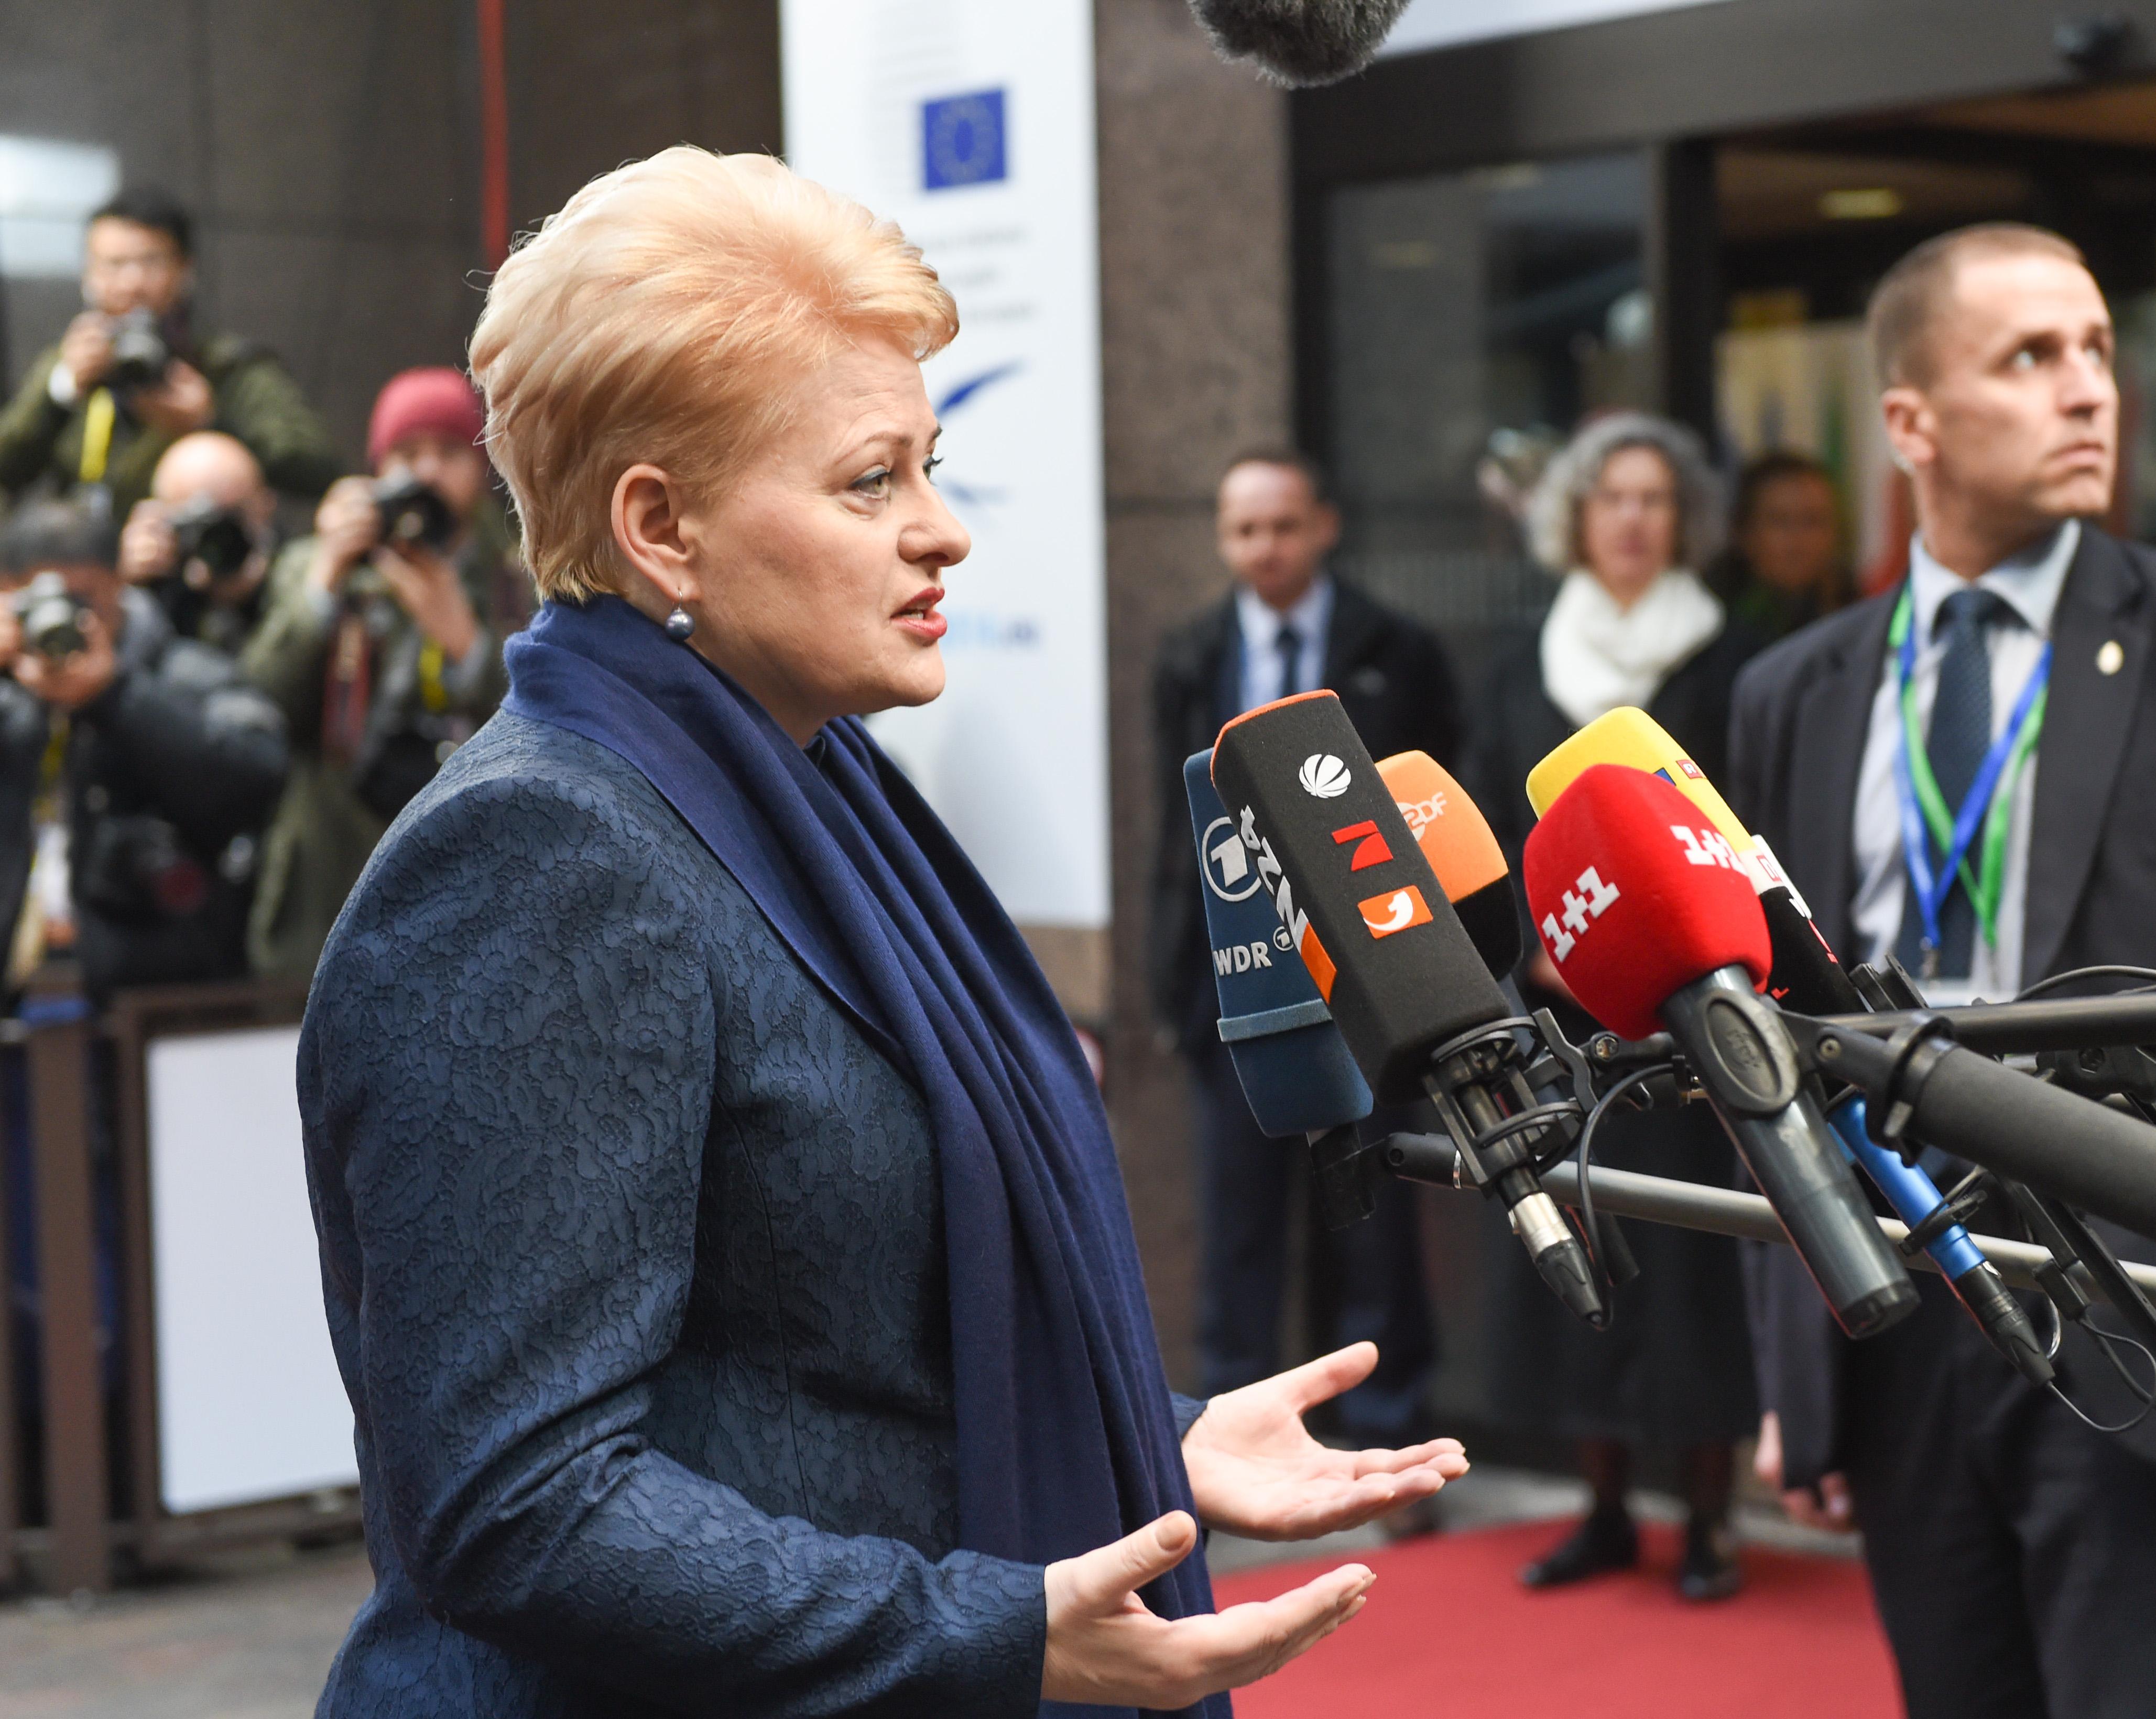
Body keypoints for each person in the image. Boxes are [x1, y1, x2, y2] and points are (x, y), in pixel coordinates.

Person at [301, 147, 1464, 1717]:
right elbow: (518, 1502)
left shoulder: (806, 790)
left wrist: (1157, 1432)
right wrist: (990, 1626)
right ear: (661, 527)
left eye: (929, 466)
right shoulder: (542, 858)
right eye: (871, 481)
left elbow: (820, 1358)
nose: (942, 531)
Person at [1727, 223, 2156, 1718]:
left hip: (2155, 1310)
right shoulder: (1794, 691)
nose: (2091, 389)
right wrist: (1792, 1359)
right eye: (2031, 357)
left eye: (2095, 349)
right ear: (1911, 422)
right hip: (1899, 1313)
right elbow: (1762, 1048)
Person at [1462, 409, 1769, 1603]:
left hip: (1695, 1013)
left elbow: (1740, 829)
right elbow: (1485, 834)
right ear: (1575, 519)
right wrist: (1533, 946)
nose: (1633, 519)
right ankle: (1599, 1508)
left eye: (1655, 498)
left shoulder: (1731, 662)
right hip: (1563, 1018)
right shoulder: (1521, 664)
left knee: (1694, 1266)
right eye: (1612, 498)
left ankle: (1707, 1519)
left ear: (1685, 519)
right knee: (1577, 1242)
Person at [1148, 449, 1456, 1513]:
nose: (1264, 548)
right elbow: (1171, 833)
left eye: (1282, 526)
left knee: (1376, 1227)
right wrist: (1171, 983)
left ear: (1323, 525)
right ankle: (1226, 1457)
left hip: (1368, 976)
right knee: (1235, 1229)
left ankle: (1394, 1443)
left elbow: (1430, 811)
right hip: (1234, 987)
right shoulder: (1190, 654)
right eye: (1244, 530)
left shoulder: (1396, 648)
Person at [239, 367, 527, 981]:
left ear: (482, 467)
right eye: (407, 453)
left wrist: (469, 646)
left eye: (449, 452)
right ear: (376, 470)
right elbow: (259, 708)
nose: (428, 472)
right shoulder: (319, 565)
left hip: (474, 889)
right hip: (332, 881)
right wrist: (325, 579)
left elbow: (552, 728)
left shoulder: (517, 574)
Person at [0, 498, 287, 994]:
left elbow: (260, 774)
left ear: (119, 584)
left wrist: (115, 696)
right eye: (37, 602)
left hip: (155, 1000)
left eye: (80, 600)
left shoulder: (186, 673)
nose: (59, 620)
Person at [0, 187, 338, 521]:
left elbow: (317, 469)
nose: (132, 283)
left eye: (151, 263)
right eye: (114, 265)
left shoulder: (228, 366)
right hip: (89, 551)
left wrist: (210, 425)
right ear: (88, 276)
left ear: (185, 270)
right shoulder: (70, 365)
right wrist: (61, 392)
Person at [117, 430, 281, 654]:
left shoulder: (299, 575)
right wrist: (126, 589)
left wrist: (253, 595)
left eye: (231, 518)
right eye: (195, 523)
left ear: (266, 506)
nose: (215, 540)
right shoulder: (157, 585)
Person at [1714, 449, 1848, 646]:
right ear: (1743, 533)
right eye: (1780, 521)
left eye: (1812, 521)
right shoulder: (1709, 623)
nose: (1798, 538)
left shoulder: (1856, 611)